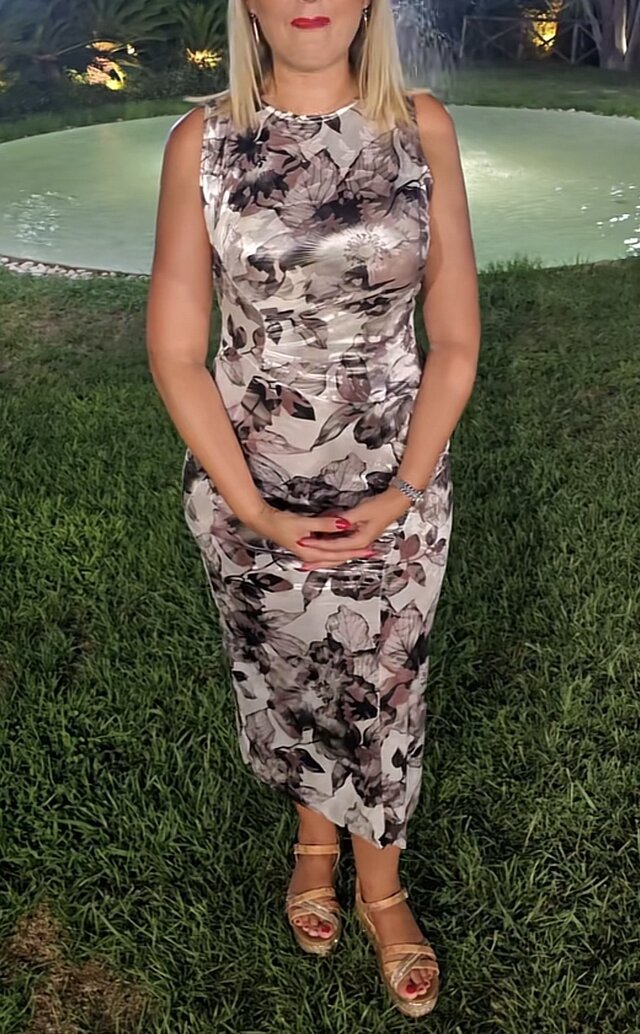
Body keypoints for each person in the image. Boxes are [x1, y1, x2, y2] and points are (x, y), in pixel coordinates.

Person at [146, 0, 480, 1018]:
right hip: (252, 488)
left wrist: (404, 489)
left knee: (382, 692)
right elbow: (177, 350)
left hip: (396, 481)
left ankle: (381, 888)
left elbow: (456, 338)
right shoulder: (202, 143)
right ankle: (312, 839)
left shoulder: (422, 128)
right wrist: (254, 510)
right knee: (289, 674)